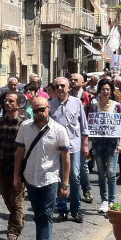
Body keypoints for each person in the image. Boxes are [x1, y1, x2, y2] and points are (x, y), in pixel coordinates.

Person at [13, 97, 70, 240]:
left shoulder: (58, 130)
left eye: (42, 109)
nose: (39, 113)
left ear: (48, 108)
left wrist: (65, 183)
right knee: (38, 214)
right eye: (36, 110)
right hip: (30, 177)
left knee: (45, 214)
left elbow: (65, 157)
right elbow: (19, 152)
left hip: (50, 178)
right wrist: (17, 176)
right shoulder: (25, 127)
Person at [0, 91, 25, 240]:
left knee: (16, 200)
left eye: (11, 101)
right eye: (6, 101)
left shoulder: (24, 124)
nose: (8, 103)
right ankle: (19, 217)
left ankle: (13, 231)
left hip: (19, 167)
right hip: (3, 165)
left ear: (17, 104)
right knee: (7, 198)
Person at [49, 77, 90, 223]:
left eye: (62, 86)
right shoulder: (50, 105)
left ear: (68, 87)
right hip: (57, 148)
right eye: (57, 86)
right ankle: (62, 210)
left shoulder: (77, 102)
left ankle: (76, 209)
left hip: (74, 147)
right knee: (60, 178)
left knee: (75, 177)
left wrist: (85, 145)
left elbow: (84, 126)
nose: (60, 88)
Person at [88, 80, 121, 214]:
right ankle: (104, 200)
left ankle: (112, 201)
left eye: (108, 89)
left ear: (111, 91)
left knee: (111, 172)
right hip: (98, 142)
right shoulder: (94, 106)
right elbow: (90, 124)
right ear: (99, 90)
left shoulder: (117, 106)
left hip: (112, 143)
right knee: (101, 172)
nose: (105, 92)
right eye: (103, 89)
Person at [68, 73, 94, 204]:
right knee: (69, 167)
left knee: (83, 165)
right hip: (69, 137)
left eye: (75, 80)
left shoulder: (88, 97)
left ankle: (86, 189)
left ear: (83, 82)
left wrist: (87, 139)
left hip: (83, 137)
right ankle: (72, 192)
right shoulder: (65, 95)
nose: (72, 81)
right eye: (71, 79)